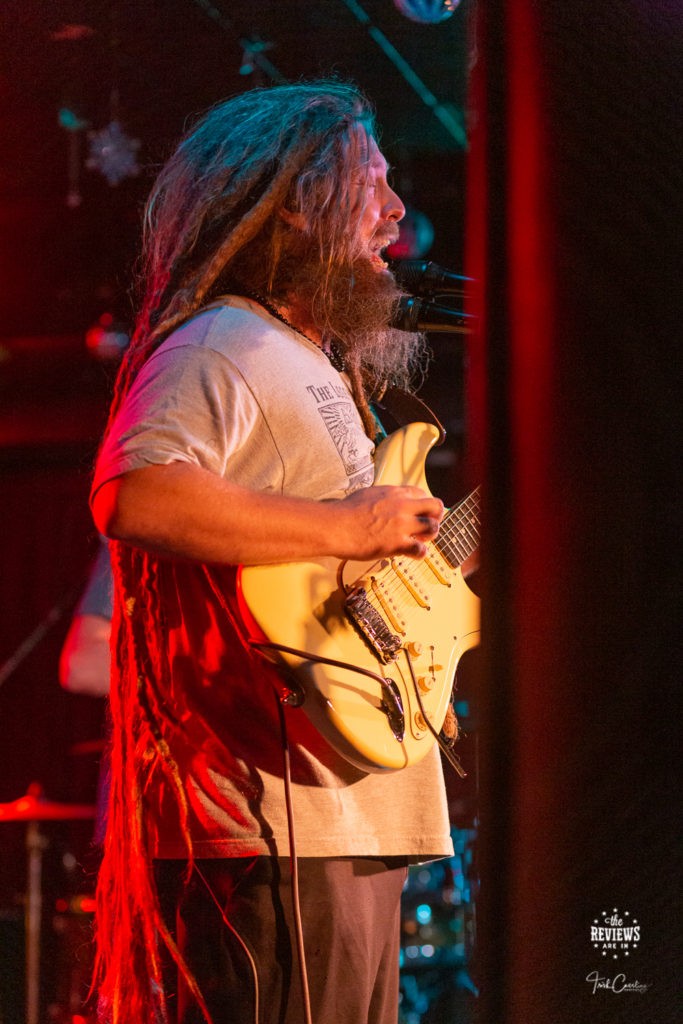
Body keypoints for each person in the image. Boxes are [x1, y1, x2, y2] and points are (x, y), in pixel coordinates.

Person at [90, 80, 454, 1024]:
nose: (395, 209)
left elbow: (337, 585)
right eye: (368, 181)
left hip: (345, 809)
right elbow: (133, 494)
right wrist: (354, 526)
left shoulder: (312, 361)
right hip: (270, 820)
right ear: (291, 199)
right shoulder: (223, 344)